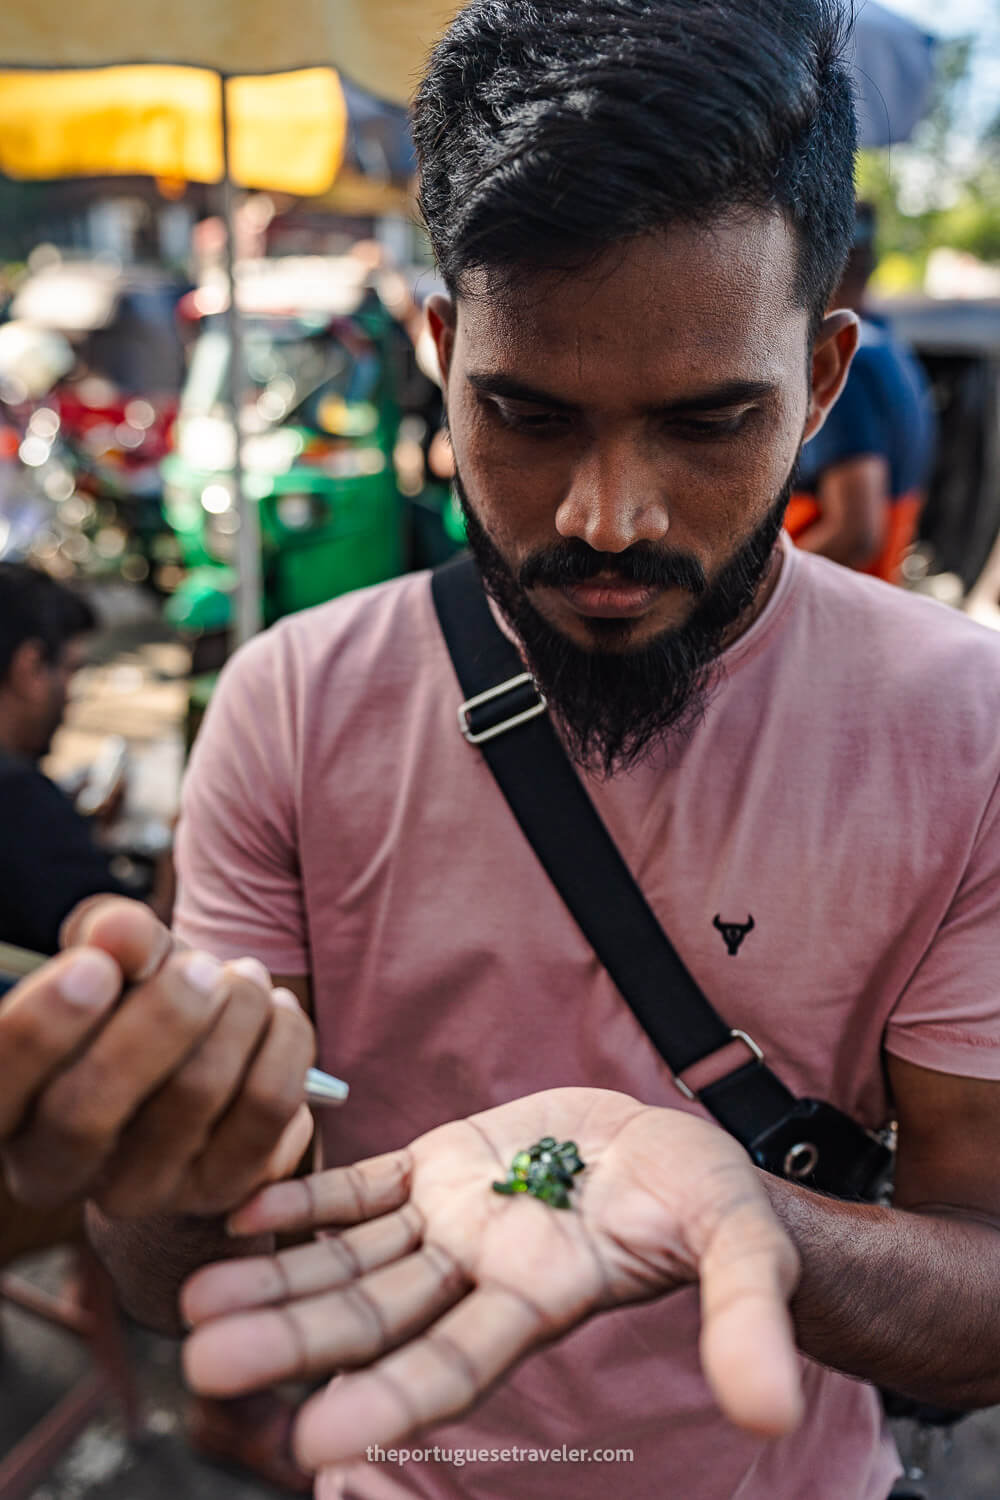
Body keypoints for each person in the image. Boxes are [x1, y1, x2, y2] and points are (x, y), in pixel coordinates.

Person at [5, 3, 1000, 1499]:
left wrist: (743, 1216)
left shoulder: (964, 726)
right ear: (443, 352)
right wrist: (152, 1163)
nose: (610, 517)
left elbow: (983, 1304)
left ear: (826, 376)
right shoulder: (291, 705)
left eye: (709, 421)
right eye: (527, 417)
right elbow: (173, 1269)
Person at [785, 201, 937, 579]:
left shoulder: (841, 365)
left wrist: (748, 598)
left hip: (825, 609)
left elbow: (854, 535)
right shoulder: (888, 346)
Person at [0, 562, 134, 956]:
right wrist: (177, 869)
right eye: (71, 670)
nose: (71, 695)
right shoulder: (18, 798)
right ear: (31, 668)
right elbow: (129, 946)